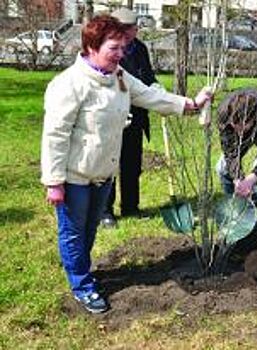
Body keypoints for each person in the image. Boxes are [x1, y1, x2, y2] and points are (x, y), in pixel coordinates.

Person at [41, 15, 212, 314]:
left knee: (89, 229)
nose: (121, 54)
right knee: (72, 232)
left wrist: (190, 104)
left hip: (103, 174)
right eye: (114, 47)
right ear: (92, 46)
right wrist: (54, 182)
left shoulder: (118, 76)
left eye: (123, 47)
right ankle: (82, 286)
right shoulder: (69, 85)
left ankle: (82, 269)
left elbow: (149, 95)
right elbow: (55, 136)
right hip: (74, 177)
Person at [98, 8, 158, 228]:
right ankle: (105, 211)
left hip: (137, 115)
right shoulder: (107, 49)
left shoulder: (140, 48)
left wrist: (156, 89)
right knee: (109, 164)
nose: (128, 33)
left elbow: (147, 76)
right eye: (123, 29)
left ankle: (131, 207)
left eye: (131, 29)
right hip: (114, 115)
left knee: (132, 163)